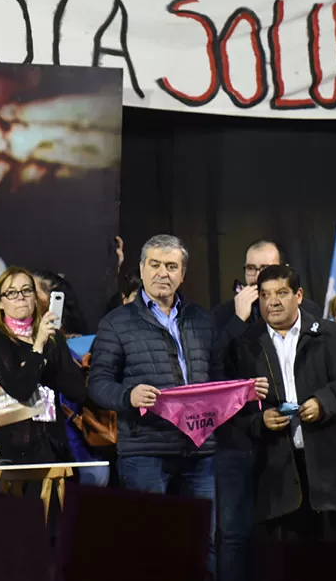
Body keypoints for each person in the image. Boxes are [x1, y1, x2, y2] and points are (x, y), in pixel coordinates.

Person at [90, 235, 252, 574]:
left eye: (171, 266)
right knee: (151, 544)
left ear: (183, 274)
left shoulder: (202, 319)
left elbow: (216, 379)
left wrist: (241, 393)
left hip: (200, 452)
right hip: (144, 452)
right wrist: (128, 396)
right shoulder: (115, 323)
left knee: (202, 545)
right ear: (141, 268)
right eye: (155, 265)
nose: (163, 273)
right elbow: (98, 384)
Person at [227, 264, 336, 540]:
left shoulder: (331, 336)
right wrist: (260, 420)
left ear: (299, 295)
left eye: (281, 293)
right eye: (265, 295)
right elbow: (231, 406)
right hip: (276, 483)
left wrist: (323, 402)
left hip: (330, 479)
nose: (273, 302)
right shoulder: (244, 345)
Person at [209, 238, 284, 581]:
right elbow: (210, 368)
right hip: (234, 437)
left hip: (281, 435)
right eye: (251, 269)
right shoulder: (224, 314)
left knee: (278, 532)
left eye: (265, 269)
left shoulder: (302, 311)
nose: (257, 277)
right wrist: (238, 320)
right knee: (233, 534)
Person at [0, 267, 87, 472]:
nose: (20, 297)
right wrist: (37, 349)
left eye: (26, 290)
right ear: (0, 303)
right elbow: (20, 390)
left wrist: (53, 348)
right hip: (12, 455)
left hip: (54, 449)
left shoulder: (51, 338)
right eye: (11, 293)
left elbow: (77, 390)